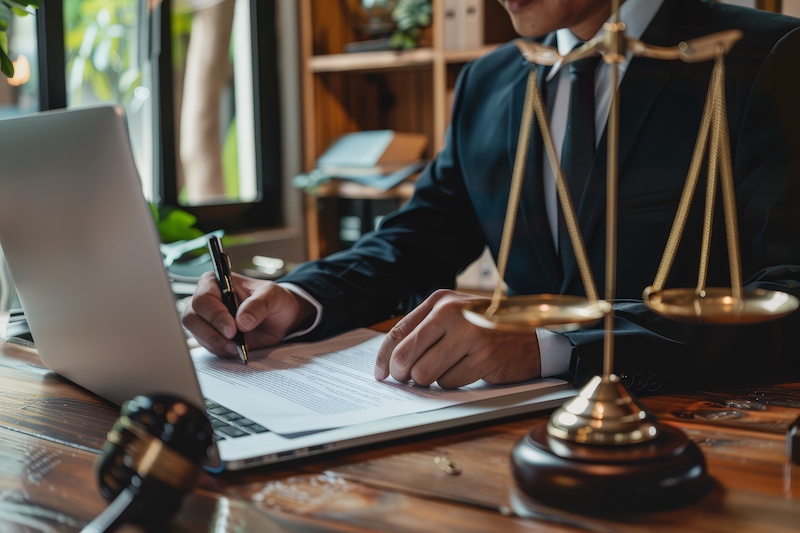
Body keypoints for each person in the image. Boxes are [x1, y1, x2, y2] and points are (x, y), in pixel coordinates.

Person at [183, 0, 800, 393]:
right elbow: (422, 231)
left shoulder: (767, 57)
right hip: (502, 440)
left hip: (704, 434)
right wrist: (297, 298)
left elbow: (791, 293)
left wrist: (546, 347)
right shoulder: (488, 80)